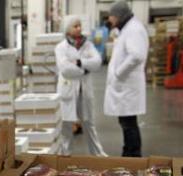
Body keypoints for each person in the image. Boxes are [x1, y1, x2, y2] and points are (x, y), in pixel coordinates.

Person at [55, 16, 107, 156]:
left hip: (84, 91)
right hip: (68, 91)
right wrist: (85, 71)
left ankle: (98, 155)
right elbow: (65, 69)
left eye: (80, 25)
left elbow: (97, 62)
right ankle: (65, 155)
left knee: (89, 123)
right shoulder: (61, 48)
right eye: (75, 26)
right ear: (68, 29)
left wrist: (79, 63)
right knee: (66, 125)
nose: (79, 28)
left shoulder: (88, 45)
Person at [104, 1, 149, 157]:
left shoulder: (133, 29)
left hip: (127, 85)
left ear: (119, 16)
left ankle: (133, 155)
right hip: (125, 86)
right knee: (126, 122)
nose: (110, 19)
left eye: (111, 16)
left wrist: (118, 73)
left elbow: (136, 56)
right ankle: (129, 152)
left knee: (129, 123)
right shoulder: (127, 29)